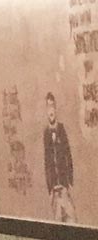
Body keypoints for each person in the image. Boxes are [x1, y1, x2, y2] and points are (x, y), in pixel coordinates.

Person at [43, 91, 76, 222]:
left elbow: (68, 155)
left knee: (71, 218)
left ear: (55, 109)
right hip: (54, 188)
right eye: (48, 106)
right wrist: (49, 187)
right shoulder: (46, 133)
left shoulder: (61, 129)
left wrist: (69, 182)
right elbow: (47, 161)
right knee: (57, 222)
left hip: (64, 185)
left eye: (52, 106)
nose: (50, 110)